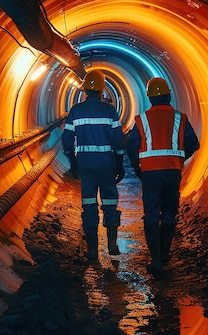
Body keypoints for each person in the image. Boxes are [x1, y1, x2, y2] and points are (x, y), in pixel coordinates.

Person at [127, 77, 199, 273]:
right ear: (169, 95)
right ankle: (165, 253)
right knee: (169, 211)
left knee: (151, 214)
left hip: (150, 172)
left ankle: (156, 259)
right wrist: (179, 158)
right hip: (172, 171)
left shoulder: (142, 119)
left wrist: (138, 169)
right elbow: (194, 143)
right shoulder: (180, 118)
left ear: (149, 98)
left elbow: (132, 147)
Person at [62, 70, 126, 260]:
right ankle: (112, 243)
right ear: (101, 90)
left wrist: (72, 162)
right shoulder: (109, 110)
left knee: (89, 203)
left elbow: (67, 140)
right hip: (106, 163)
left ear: (85, 90)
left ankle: (92, 250)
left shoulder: (76, 111)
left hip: (85, 164)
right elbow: (117, 139)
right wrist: (120, 162)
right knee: (110, 201)